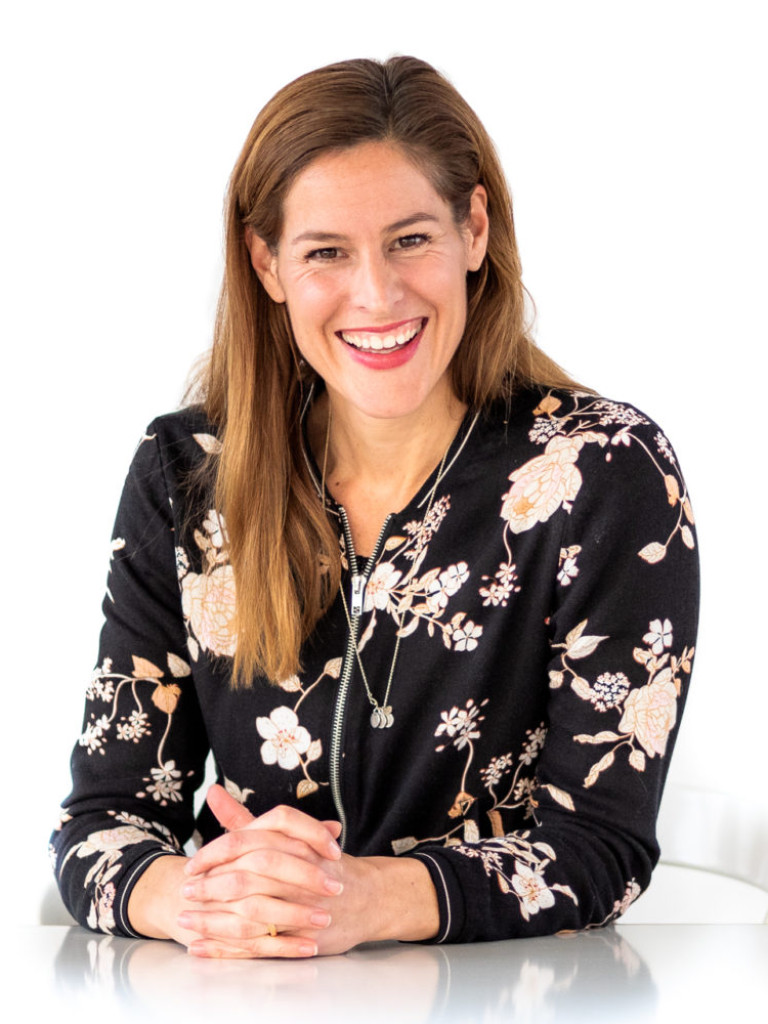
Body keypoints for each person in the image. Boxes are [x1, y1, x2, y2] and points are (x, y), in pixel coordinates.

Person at [51, 56, 699, 958]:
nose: (378, 295)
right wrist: (202, 900)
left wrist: (359, 899)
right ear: (266, 263)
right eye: (326, 252)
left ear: (474, 228)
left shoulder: (606, 474)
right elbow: (101, 824)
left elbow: (601, 848)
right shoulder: (187, 472)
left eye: (411, 240)